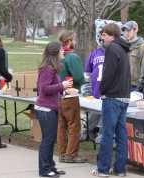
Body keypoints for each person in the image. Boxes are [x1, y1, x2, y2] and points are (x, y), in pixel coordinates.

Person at [92, 23, 131, 177]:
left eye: (105, 35)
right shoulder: (123, 48)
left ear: (113, 35)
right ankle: (120, 170)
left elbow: (108, 74)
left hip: (113, 97)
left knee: (107, 135)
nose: (102, 38)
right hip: (124, 97)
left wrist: (102, 90)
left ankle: (103, 169)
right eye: (102, 35)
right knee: (121, 135)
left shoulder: (112, 48)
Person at [35, 41, 72, 177]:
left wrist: (62, 90)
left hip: (51, 108)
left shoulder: (52, 68)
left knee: (51, 139)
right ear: (56, 53)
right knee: (48, 139)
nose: (64, 52)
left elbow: (52, 88)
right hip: (45, 109)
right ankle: (44, 170)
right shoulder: (47, 69)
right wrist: (62, 86)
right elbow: (43, 89)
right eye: (62, 50)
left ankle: (51, 166)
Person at [57, 30, 86, 163]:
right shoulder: (72, 57)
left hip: (59, 95)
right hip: (71, 95)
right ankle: (71, 155)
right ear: (69, 41)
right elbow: (79, 77)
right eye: (74, 40)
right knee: (74, 126)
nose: (75, 42)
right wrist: (85, 79)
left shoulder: (57, 55)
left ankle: (62, 153)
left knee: (62, 126)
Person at [122, 21, 144, 91]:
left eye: (129, 30)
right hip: (122, 84)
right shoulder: (123, 46)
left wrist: (140, 87)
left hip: (135, 86)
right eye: (125, 30)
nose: (126, 33)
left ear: (136, 30)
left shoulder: (143, 47)